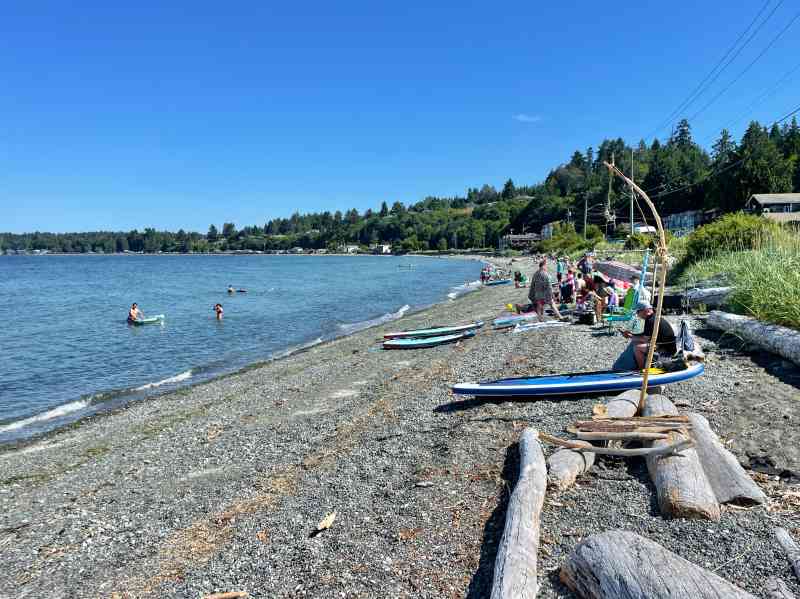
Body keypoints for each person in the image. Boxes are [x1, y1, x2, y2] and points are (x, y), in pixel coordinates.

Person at [615, 301, 677, 370]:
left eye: (638, 311)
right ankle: (640, 365)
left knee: (637, 348)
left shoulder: (651, 321)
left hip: (665, 349)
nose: (637, 314)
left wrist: (630, 336)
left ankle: (642, 369)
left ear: (646, 311)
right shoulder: (652, 318)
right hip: (664, 345)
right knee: (636, 342)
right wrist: (632, 334)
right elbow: (646, 335)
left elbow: (646, 339)